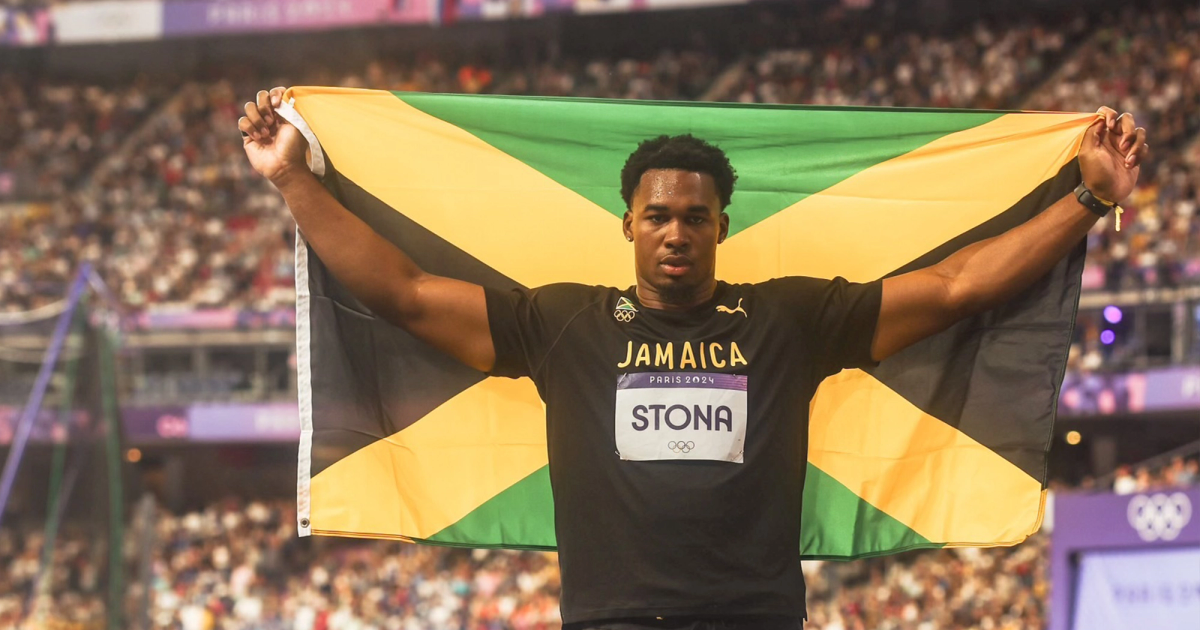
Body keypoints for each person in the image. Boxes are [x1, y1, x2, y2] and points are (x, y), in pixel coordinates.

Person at [239, 87, 1147, 629]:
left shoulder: (791, 318)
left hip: (755, 619)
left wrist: (1085, 197)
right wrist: (290, 177)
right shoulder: (563, 324)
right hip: (612, 621)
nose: (677, 233)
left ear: (723, 227)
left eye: (696, 218)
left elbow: (954, 290)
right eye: (658, 216)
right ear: (627, 224)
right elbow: (399, 291)